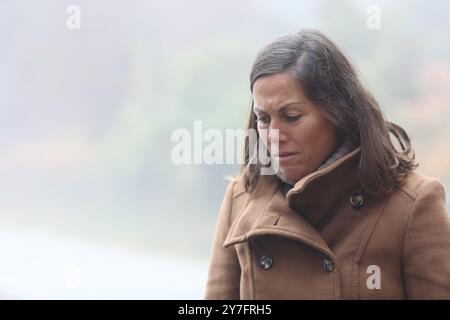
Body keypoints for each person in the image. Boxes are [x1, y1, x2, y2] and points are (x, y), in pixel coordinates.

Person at [204, 29, 450, 299]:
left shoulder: (410, 206)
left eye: (291, 116)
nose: (273, 135)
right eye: (263, 119)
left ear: (338, 113)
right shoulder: (240, 201)